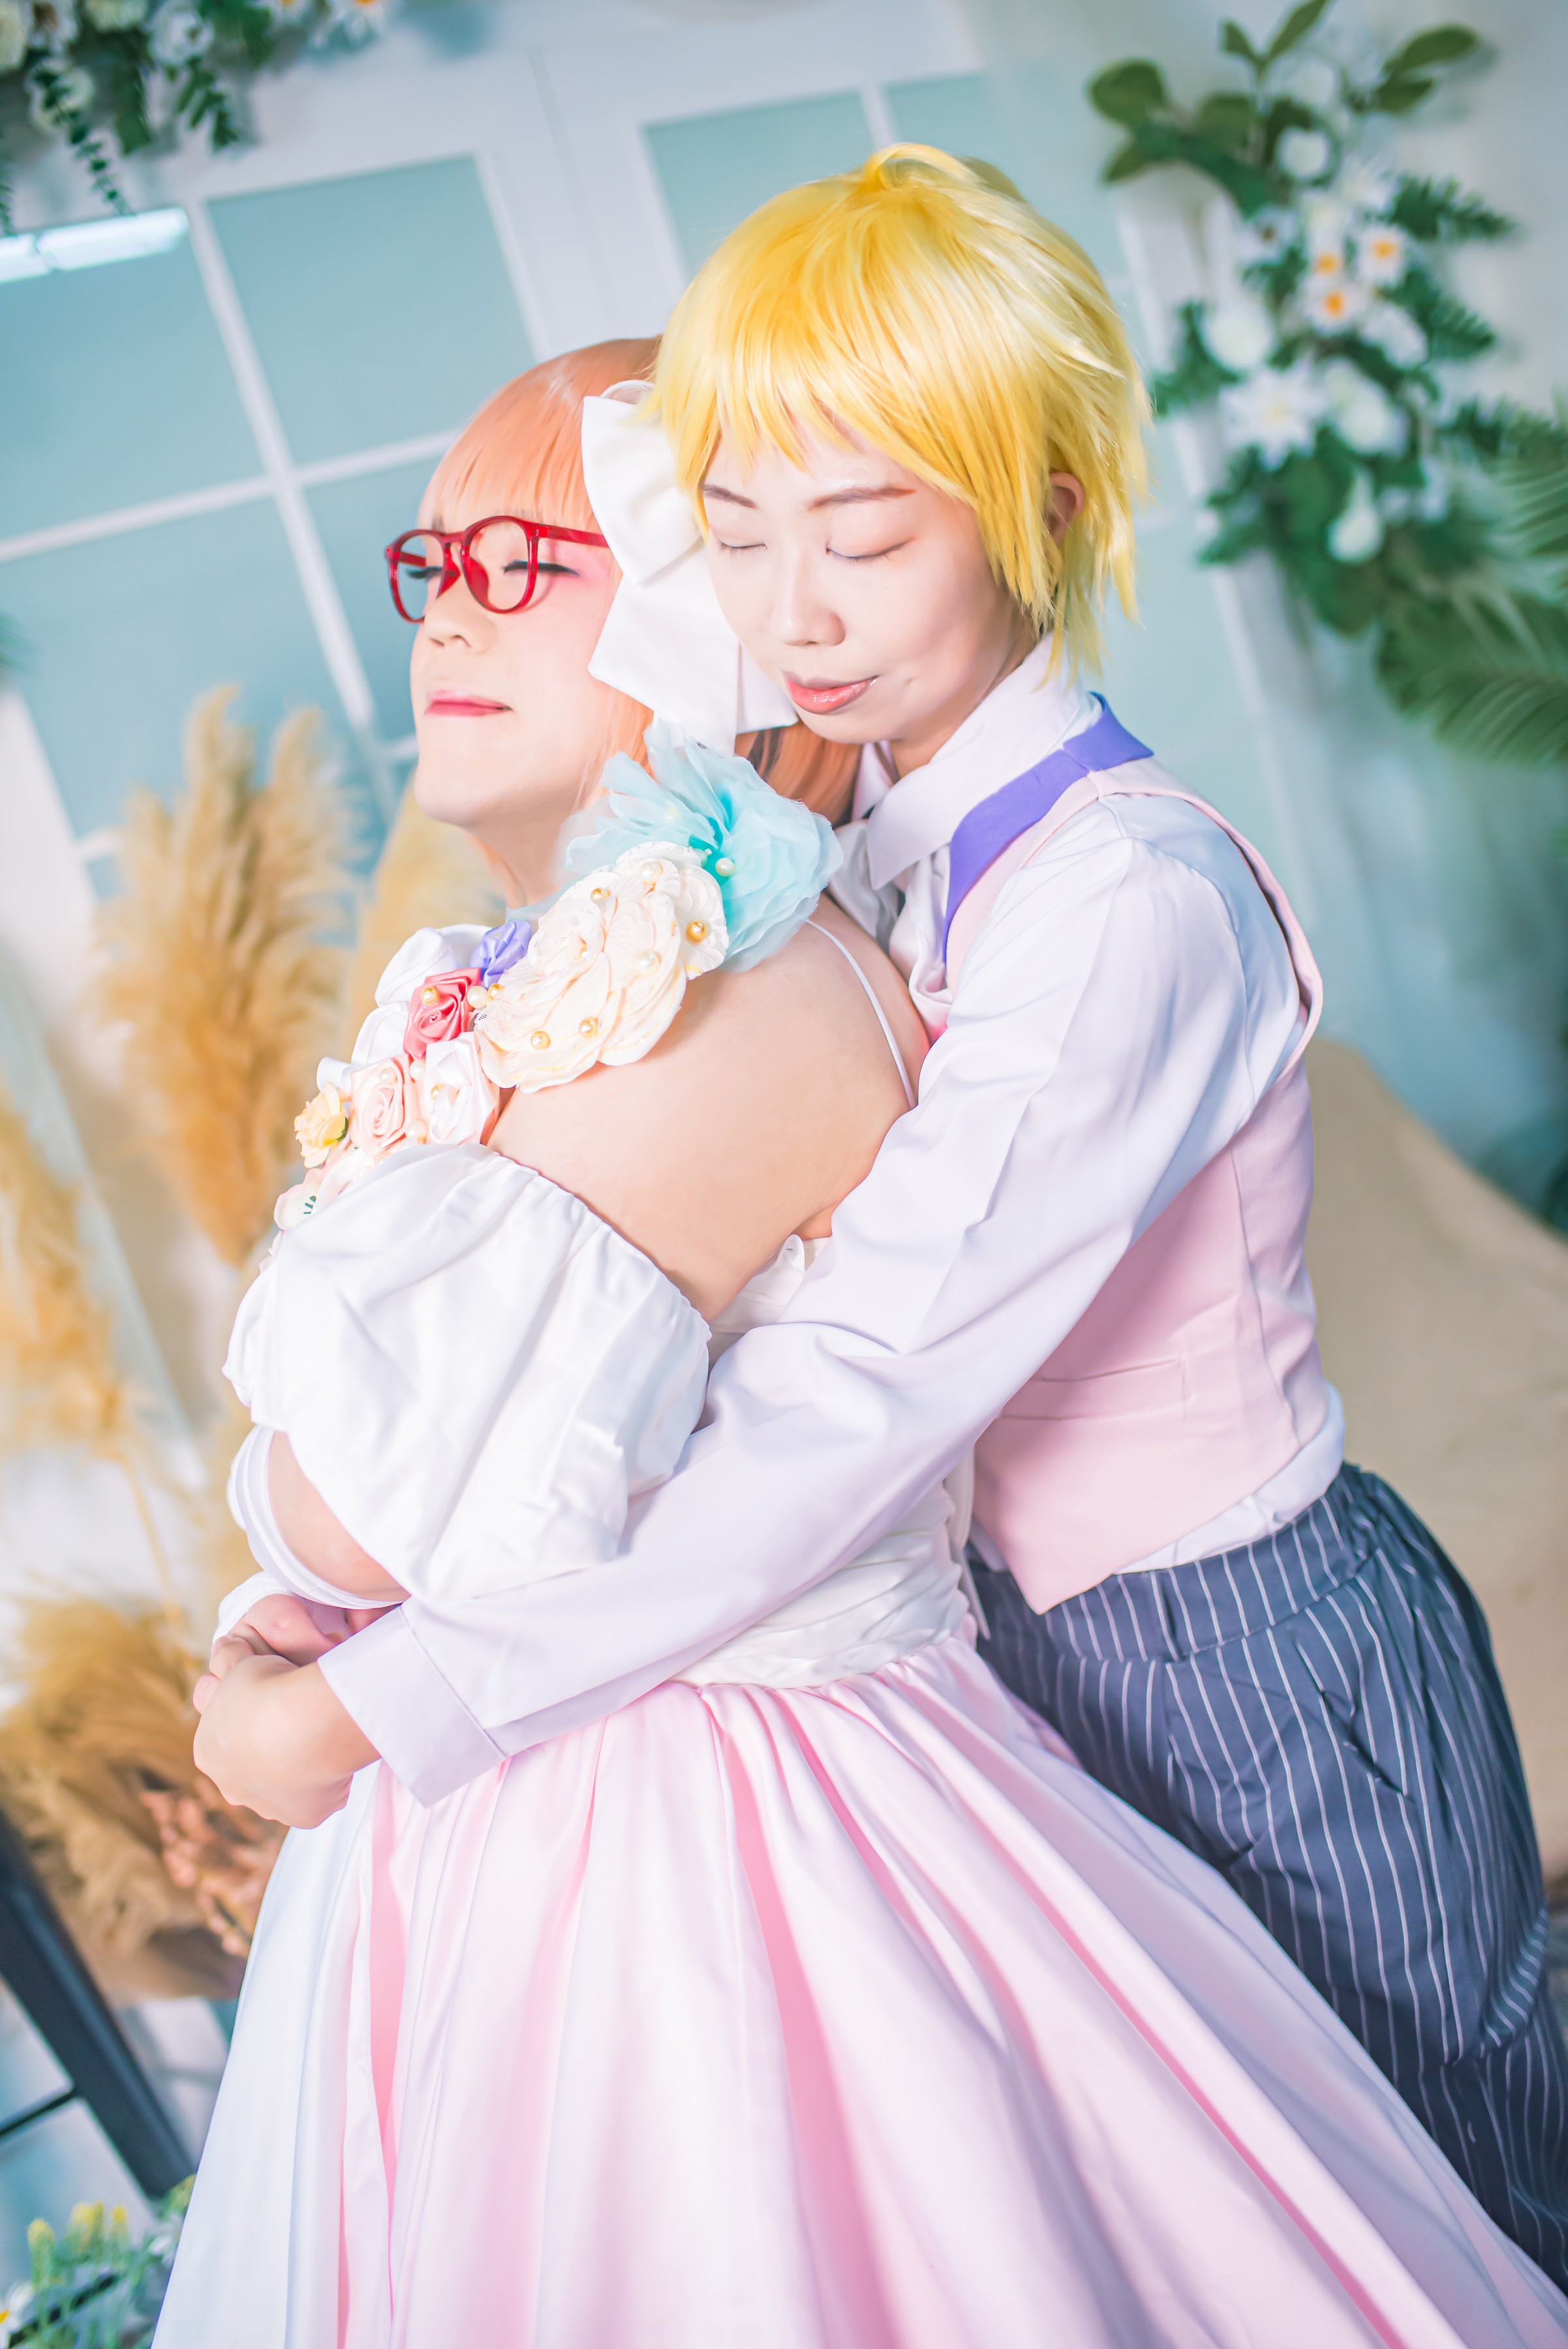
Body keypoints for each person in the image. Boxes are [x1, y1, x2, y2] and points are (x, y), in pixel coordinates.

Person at [192, 146, 1568, 2295]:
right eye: (736, 536)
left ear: (1040, 509)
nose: (793, 614)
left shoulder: (1125, 898)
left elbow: (849, 1401)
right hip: (1004, 1654)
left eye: (860, 534)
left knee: (1437, 2202)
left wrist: (396, 1701)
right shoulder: (835, 868)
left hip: (1241, 1656)